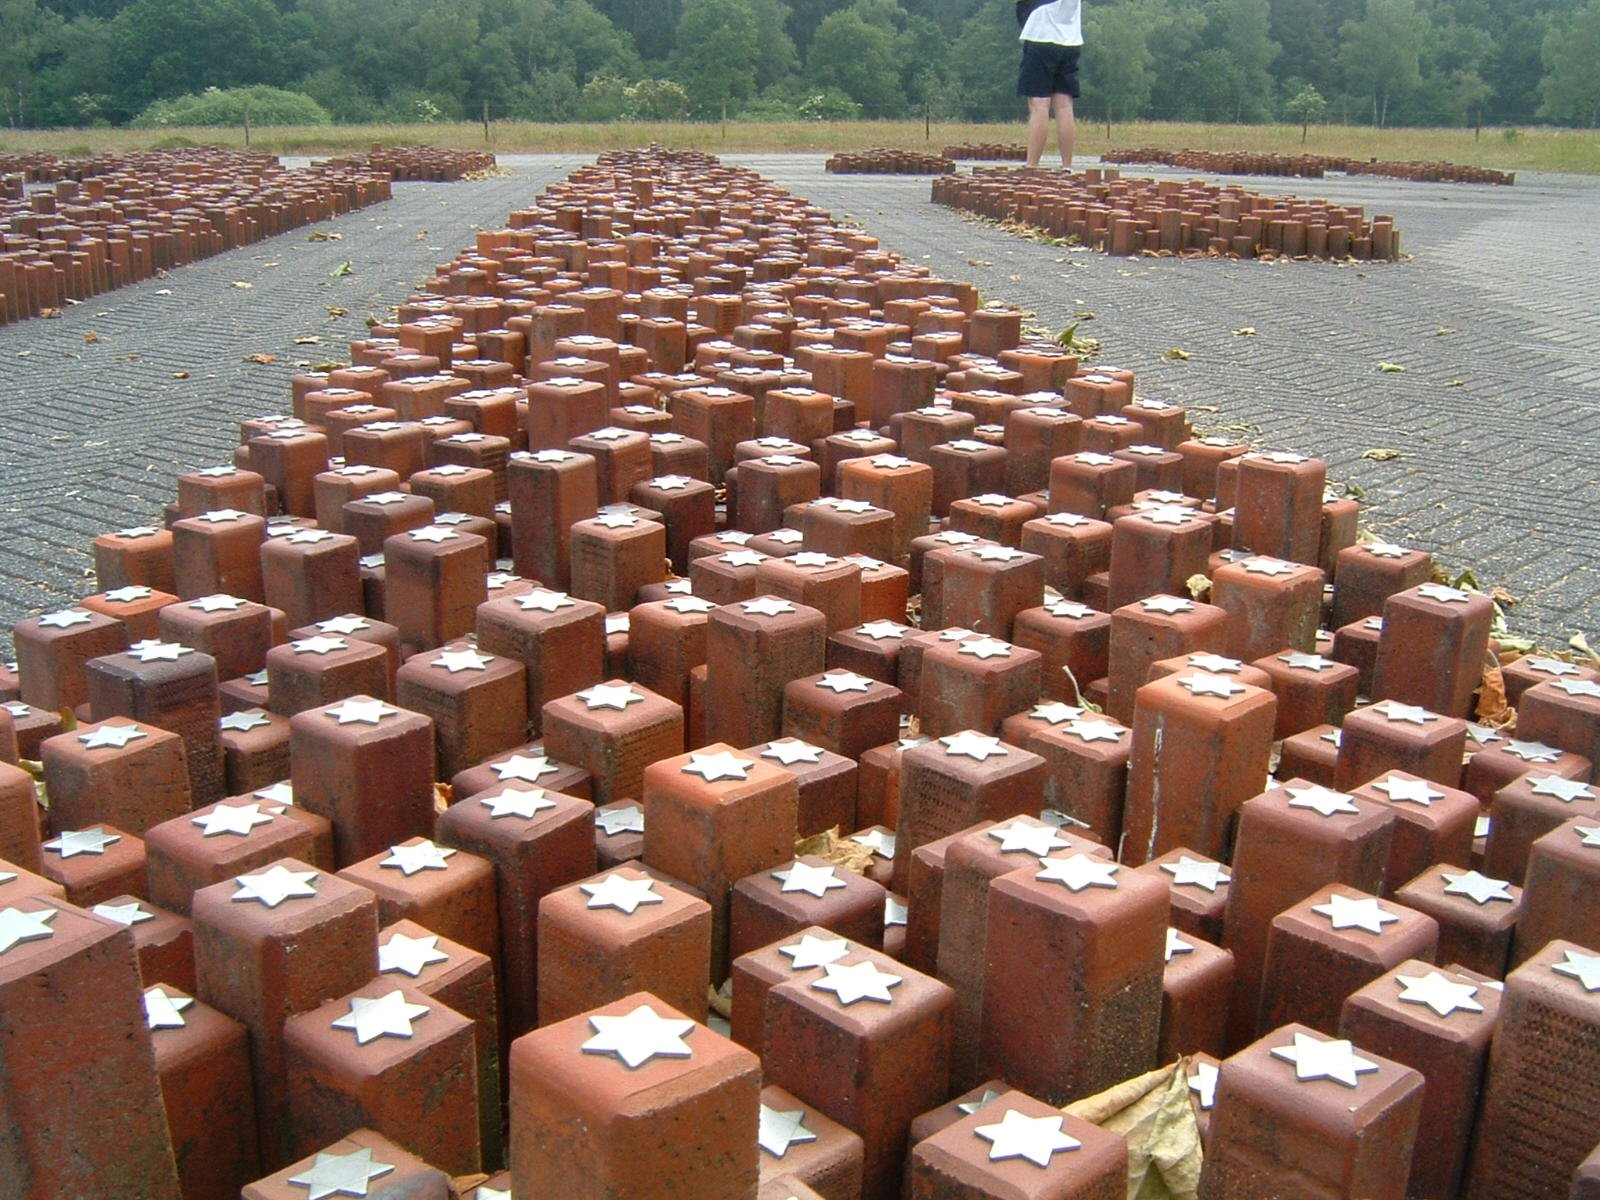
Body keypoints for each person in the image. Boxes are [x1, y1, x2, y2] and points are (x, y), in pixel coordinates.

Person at [1016, 0, 1082, 170]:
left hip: (1041, 36)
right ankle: (1067, 165)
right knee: (1064, 106)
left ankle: (1032, 165)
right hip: (1070, 39)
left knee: (1039, 104)